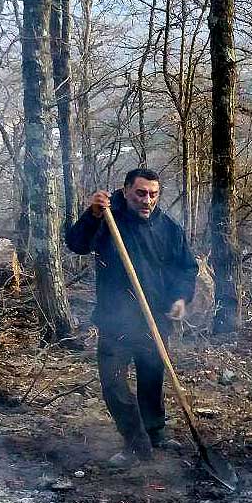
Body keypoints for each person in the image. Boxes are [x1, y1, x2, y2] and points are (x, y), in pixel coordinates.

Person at [66, 168, 198, 468]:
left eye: (153, 194)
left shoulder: (169, 228)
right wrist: (93, 214)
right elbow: (76, 243)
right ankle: (135, 442)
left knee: (152, 376)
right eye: (140, 193)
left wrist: (180, 298)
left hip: (156, 317)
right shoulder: (108, 219)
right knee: (113, 384)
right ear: (126, 191)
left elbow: (187, 268)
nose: (147, 200)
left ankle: (155, 431)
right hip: (116, 320)